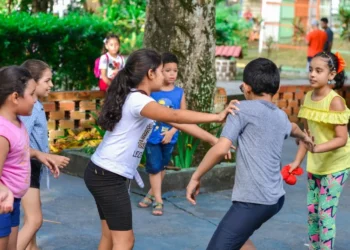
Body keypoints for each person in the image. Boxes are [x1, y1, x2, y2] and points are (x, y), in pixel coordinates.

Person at [84, 48, 238, 250]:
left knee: (110, 237)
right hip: (108, 175)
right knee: (125, 242)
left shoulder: (138, 98)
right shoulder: (139, 100)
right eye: (161, 71)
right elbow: (175, 117)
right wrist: (217, 116)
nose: (166, 76)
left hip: (102, 171)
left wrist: (212, 139)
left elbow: (179, 123)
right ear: (150, 73)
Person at [186, 58, 314, 250]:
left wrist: (195, 176)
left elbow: (221, 148)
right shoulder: (280, 115)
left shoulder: (240, 110)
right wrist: (305, 137)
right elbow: (293, 127)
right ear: (276, 89)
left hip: (253, 201)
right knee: (240, 239)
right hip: (275, 199)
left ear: (246, 87)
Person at [288, 51, 349, 250]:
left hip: (336, 165)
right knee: (313, 210)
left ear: (331, 75)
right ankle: (314, 247)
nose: (312, 74)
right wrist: (296, 162)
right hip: (316, 165)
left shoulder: (335, 101)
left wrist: (317, 148)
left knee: (325, 212)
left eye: (318, 70)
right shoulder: (307, 98)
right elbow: (307, 136)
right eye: (311, 70)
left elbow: (342, 139)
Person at [17, 60, 70, 250]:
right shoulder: (29, 109)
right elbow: (19, 145)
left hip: (31, 166)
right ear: (32, 82)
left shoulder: (35, 105)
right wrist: (45, 157)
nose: (51, 85)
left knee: (31, 218)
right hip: (25, 167)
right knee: (35, 220)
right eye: (47, 80)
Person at [138, 52, 186, 216]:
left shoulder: (179, 92)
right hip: (152, 138)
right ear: (159, 71)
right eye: (167, 70)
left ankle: (151, 193)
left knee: (162, 166)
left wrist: (172, 132)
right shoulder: (153, 92)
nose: (172, 74)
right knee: (154, 168)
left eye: (175, 70)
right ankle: (159, 200)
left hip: (170, 138)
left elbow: (182, 116)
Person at [0, 66, 37, 250]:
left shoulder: (16, 123)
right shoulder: (2, 132)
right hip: (1, 205)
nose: (35, 101)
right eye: (32, 94)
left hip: (12, 202)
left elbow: (19, 152)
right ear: (15, 97)